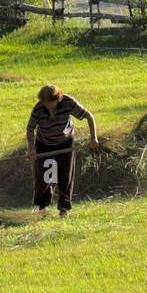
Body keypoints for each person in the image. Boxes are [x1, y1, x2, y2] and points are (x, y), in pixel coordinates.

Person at [26, 84, 99, 218]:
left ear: (58, 98)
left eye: (50, 102)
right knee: (45, 175)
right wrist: (32, 148)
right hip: (44, 143)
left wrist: (93, 138)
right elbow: (30, 128)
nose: (48, 106)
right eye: (45, 103)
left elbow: (89, 116)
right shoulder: (38, 109)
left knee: (65, 175)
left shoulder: (68, 103)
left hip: (65, 143)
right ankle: (42, 207)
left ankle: (64, 209)